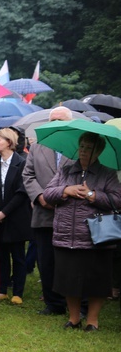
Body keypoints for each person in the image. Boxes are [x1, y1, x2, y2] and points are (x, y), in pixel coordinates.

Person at [43, 132, 121, 331]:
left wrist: (92, 195)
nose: (84, 151)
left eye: (89, 147)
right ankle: (74, 318)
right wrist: (66, 190)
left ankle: (92, 320)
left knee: (96, 280)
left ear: (99, 151)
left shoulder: (107, 173)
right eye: (82, 146)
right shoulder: (66, 171)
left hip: (97, 237)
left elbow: (117, 200)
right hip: (66, 235)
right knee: (69, 280)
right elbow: (47, 194)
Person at [22, 107, 73, 316]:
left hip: (71, 212)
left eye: (59, 120)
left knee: (70, 261)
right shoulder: (37, 146)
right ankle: (53, 303)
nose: (55, 123)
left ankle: (75, 301)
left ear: (68, 123)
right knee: (46, 259)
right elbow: (28, 175)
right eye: (51, 120)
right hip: (43, 213)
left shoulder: (77, 146)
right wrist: (40, 197)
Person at [0, 128, 32, 304]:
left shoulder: (22, 163)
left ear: (9, 142)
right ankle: (2, 289)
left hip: (16, 217)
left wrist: (4, 213)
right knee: (1, 255)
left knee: (18, 256)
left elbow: (21, 193)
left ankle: (18, 292)